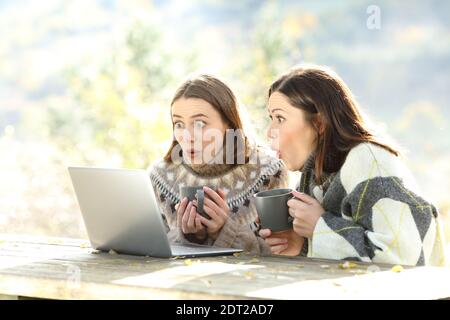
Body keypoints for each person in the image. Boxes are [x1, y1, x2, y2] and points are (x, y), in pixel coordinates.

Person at [259, 65, 447, 266]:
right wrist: (301, 245)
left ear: (319, 123)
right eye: (271, 118)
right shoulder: (314, 175)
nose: (270, 131)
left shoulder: (368, 161)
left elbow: (404, 258)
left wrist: (320, 227)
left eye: (280, 118)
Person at [148, 74, 288, 254]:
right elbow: (152, 250)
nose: (187, 136)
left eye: (199, 123)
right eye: (179, 124)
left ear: (229, 124)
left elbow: (280, 255)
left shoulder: (268, 173)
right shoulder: (160, 177)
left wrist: (224, 230)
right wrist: (189, 237)